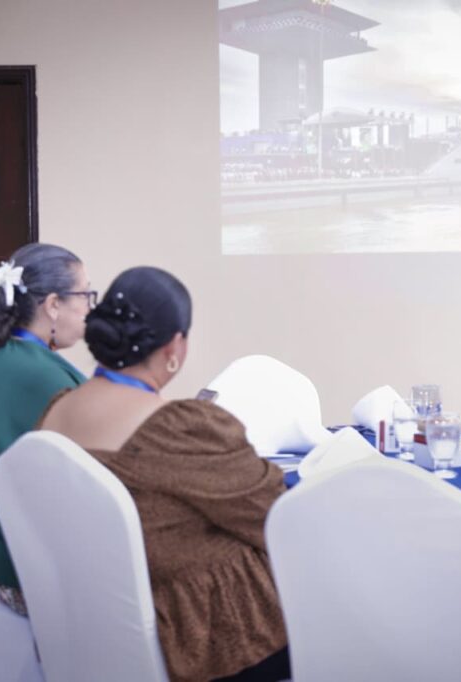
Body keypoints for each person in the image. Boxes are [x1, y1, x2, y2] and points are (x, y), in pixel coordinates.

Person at [38, 267, 289, 682]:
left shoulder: (56, 412)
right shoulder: (180, 429)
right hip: (191, 636)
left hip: (89, 620)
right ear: (175, 345)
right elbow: (275, 517)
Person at [0, 243, 92, 614]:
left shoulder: (10, 361)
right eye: (85, 294)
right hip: (41, 576)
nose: (90, 307)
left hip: (23, 559)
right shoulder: (34, 375)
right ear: (53, 304)